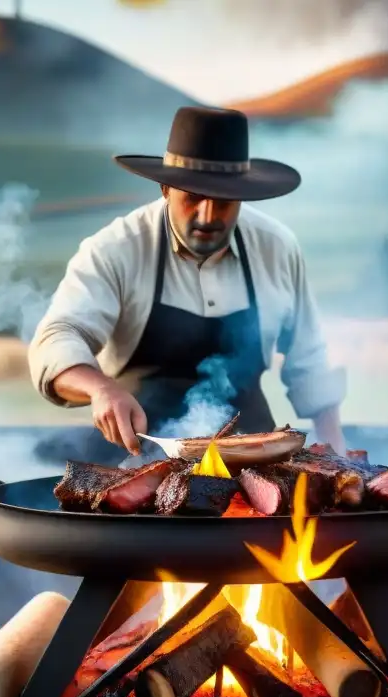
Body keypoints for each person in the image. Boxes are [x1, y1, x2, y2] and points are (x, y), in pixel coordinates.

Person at [28, 106, 346, 462]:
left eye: (223, 201)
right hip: (137, 453)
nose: (208, 217)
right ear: (165, 188)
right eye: (193, 197)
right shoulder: (115, 249)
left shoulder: (277, 247)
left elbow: (310, 359)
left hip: (253, 457)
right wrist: (100, 389)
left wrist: (339, 458)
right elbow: (56, 337)